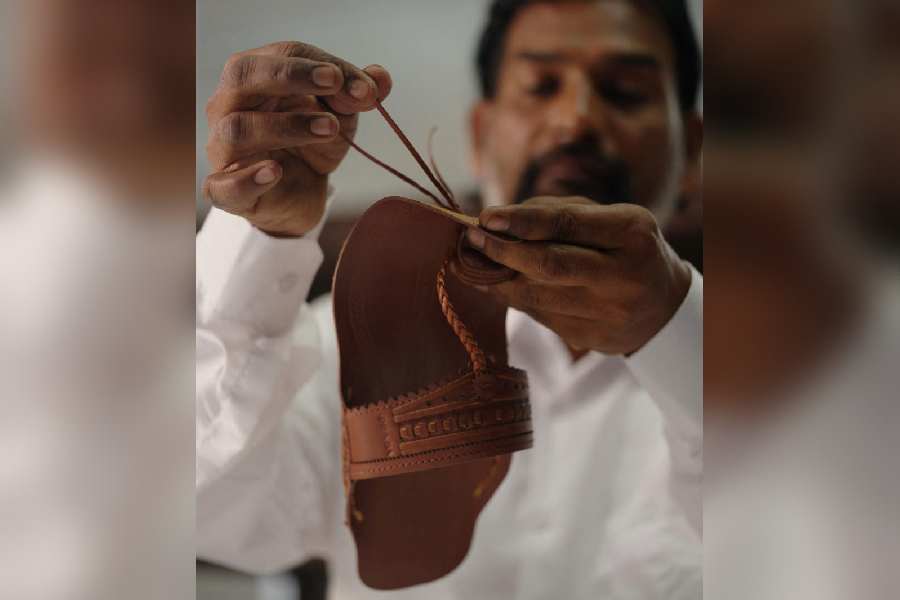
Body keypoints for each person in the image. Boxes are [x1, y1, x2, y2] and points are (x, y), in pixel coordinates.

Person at [197, 0, 702, 598]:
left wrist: (677, 330)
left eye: (623, 91)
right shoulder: (345, 347)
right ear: (481, 137)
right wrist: (266, 239)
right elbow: (206, 510)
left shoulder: (797, 380)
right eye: (540, 86)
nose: (575, 120)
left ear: (693, 150)